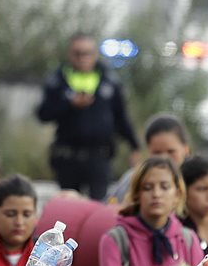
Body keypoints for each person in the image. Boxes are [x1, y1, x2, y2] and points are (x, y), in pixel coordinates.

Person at [37, 33, 138, 200]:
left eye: (87, 53)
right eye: (78, 53)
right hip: (68, 156)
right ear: (69, 54)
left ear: (95, 54)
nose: (82, 58)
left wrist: (134, 145)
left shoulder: (110, 80)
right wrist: (69, 105)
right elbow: (43, 114)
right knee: (68, 209)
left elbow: (121, 116)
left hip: (99, 156)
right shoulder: (57, 80)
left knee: (98, 207)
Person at [107, 114, 208, 214]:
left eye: (171, 152)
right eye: (157, 153)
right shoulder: (135, 178)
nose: (165, 159)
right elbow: (112, 207)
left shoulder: (205, 176)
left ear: (186, 150)